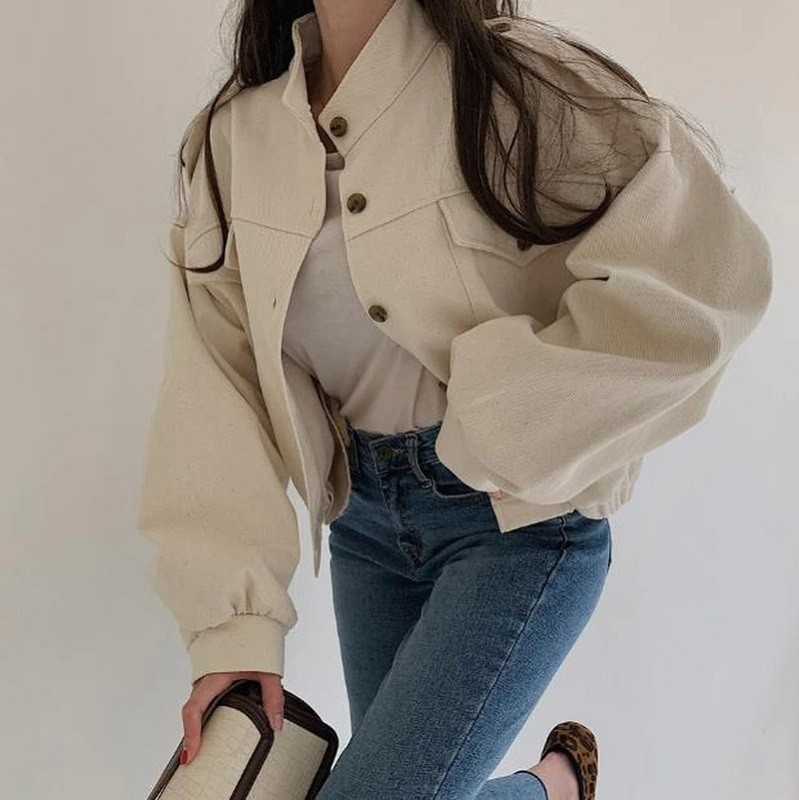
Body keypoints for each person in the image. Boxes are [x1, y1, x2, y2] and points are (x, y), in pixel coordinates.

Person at [136, 1, 773, 798]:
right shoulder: (234, 138)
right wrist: (232, 628)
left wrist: (508, 427)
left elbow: (701, 273)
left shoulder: (518, 83)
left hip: (517, 529)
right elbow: (215, 382)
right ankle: (549, 791)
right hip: (364, 531)